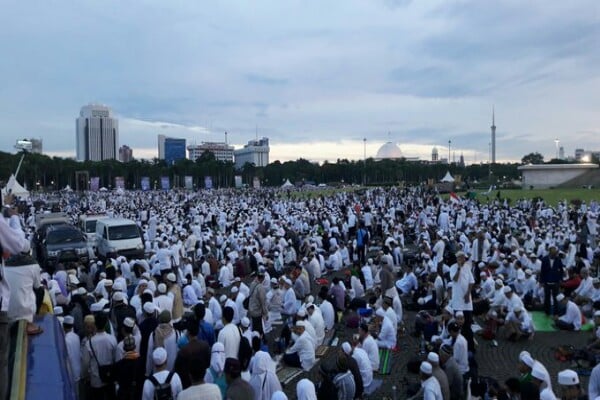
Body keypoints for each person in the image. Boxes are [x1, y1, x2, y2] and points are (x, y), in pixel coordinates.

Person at [82, 313, 118, 400]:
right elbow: (115, 358)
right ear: (106, 324)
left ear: (95, 325)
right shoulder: (112, 339)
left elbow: (86, 363)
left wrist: (86, 376)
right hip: (109, 377)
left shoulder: (89, 342)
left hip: (96, 379)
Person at [114, 335, 141, 400]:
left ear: (124, 348)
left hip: (124, 395)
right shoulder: (141, 362)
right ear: (135, 347)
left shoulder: (119, 364)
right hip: (137, 395)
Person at [540, 244, 564, 315]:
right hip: (547, 281)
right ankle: (547, 312)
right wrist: (542, 281)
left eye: (555, 252)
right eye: (552, 251)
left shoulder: (558, 259)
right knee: (547, 298)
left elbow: (561, 270)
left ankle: (555, 313)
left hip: (555, 282)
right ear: (549, 251)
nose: (554, 253)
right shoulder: (544, 259)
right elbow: (542, 271)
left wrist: (560, 279)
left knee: (555, 298)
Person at [248, 270, 269, 337]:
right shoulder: (260, 287)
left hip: (251, 308)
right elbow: (263, 302)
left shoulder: (252, 284)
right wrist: (266, 313)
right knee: (258, 329)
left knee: (254, 326)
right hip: (257, 311)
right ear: (262, 278)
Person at [64, 316, 82, 394]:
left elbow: (68, 357)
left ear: (64, 326)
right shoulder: (76, 337)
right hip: (78, 369)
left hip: (71, 371)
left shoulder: (66, 339)